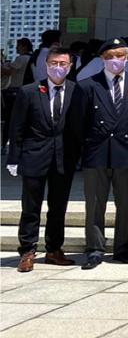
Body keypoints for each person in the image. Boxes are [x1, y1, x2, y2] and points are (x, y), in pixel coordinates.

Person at [7, 47, 83, 271]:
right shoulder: (29, 91)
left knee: (58, 207)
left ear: (70, 66)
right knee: (31, 207)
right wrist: (14, 158)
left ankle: (54, 249)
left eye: (63, 64)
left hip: (63, 158)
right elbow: (16, 127)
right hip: (34, 156)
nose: (58, 67)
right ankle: (27, 250)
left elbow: (80, 126)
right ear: (46, 65)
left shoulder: (76, 90)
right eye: (54, 63)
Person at [79, 37, 128, 269]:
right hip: (96, 152)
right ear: (102, 59)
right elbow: (79, 122)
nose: (115, 60)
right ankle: (95, 249)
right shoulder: (88, 85)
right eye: (110, 56)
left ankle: (123, 248)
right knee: (95, 204)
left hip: (126, 151)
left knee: (126, 204)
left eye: (120, 56)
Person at [2, 37, 34, 152]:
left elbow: (9, 72)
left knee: (10, 119)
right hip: (27, 91)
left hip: (15, 92)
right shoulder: (31, 58)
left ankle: (4, 144)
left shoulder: (21, 59)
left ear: (24, 47)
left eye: (18, 45)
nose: (16, 48)